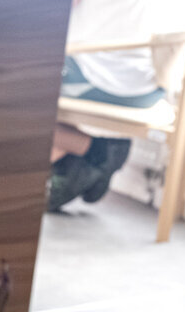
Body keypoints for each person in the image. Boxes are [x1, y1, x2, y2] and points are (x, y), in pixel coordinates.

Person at [48, 0, 161, 211]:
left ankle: (97, 152)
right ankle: (73, 164)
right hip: (145, 82)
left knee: (12, 98)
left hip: (102, 75)